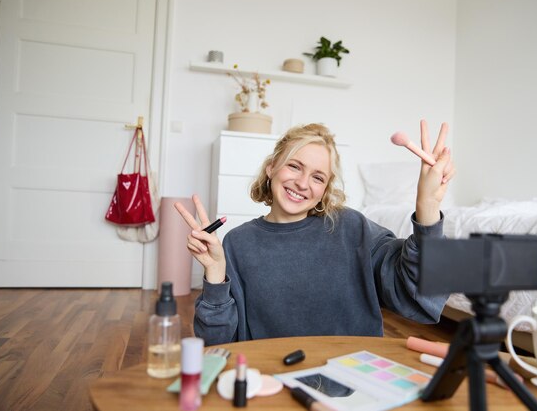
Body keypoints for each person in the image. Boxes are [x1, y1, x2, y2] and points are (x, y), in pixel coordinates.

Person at [175, 121, 455, 346]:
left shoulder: (352, 228)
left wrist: (427, 207)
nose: (302, 183)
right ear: (271, 167)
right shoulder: (238, 243)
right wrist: (214, 271)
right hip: (272, 381)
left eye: (318, 177)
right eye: (294, 166)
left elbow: (418, 291)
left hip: (350, 380)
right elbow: (216, 342)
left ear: (325, 189)